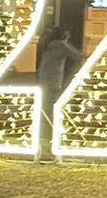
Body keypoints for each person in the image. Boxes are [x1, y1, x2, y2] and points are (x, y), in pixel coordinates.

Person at [35, 26, 84, 160]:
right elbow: (78, 55)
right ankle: (49, 139)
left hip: (43, 81)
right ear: (63, 35)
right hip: (53, 82)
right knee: (51, 112)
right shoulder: (60, 45)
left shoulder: (48, 44)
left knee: (45, 110)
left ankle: (43, 138)